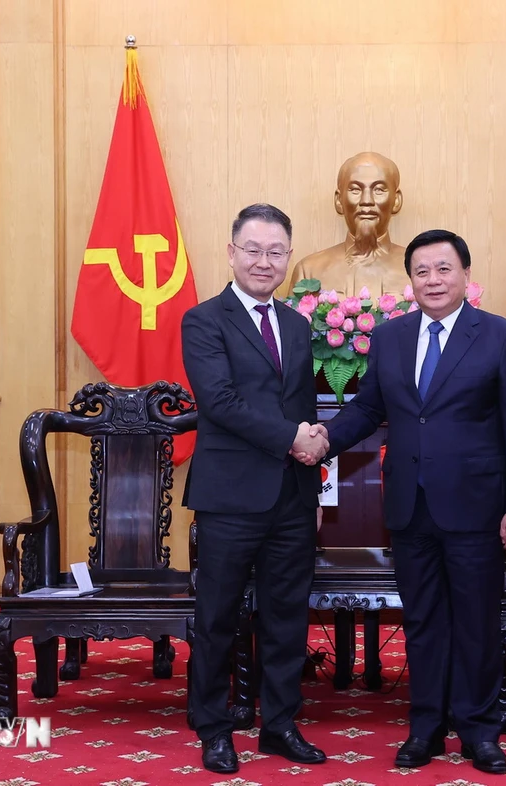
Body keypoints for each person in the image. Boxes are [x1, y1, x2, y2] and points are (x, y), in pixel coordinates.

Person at [309, 229, 506, 775]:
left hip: (477, 506)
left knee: (477, 623)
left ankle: (480, 732)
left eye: (443, 270)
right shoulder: (390, 338)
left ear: (465, 276)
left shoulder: (500, 337)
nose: (432, 281)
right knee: (424, 622)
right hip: (409, 506)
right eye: (421, 272)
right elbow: (368, 410)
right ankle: (426, 728)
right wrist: (321, 442)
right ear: (409, 280)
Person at [181, 203, 330, 775]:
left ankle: (280, 725)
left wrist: (313, 483)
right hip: (229, 497)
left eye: (275, 252)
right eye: (253, 250)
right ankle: (214, 728)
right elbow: (219, 402)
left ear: (287, 258)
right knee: (217, 618)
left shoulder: (296, 324)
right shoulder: (204, 320)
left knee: (288, 617)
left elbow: (304, 408)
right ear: (231, 252)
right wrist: (294, 438)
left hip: (291, 498)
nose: (264, 262)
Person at [288, 151, 412, 300]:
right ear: (339, 201)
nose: (367, 200)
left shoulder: (418, 270)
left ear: (396, 200)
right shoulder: (309, 270)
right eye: (355, 189)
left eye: (379, 189)